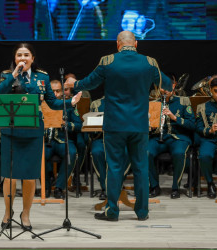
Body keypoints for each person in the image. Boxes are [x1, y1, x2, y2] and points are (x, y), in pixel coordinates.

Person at [65, 31, 172, 221]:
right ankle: (142, 212)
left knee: (114, 167)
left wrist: (74, 84)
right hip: (139, 124)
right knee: (140, 168)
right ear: (136, 44)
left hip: (114, 124)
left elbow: (89, 83)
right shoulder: (149, 62)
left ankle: (112, 211)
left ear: (118, 44)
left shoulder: (107, 61)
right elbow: (168, 85)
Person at [0, 43, 81, 230]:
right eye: (19, 55)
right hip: (11, 131)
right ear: (14, 59)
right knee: (9, 176)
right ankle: (7, 212)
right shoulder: (7, 75)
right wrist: (13, 77)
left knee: (29, 176)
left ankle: (25, 214)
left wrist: (70, 103)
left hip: (33, 132)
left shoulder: (42, 77)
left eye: (26, 55)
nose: (23, 58)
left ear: (32, 58)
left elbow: (51, 102)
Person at [148, 81, 195, 199]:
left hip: (178, 138)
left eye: (168, 87)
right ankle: (154, 186)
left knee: (179, 153)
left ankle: (175, 187)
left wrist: (174, 117)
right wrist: (150, 127)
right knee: (145, 152)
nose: (165, 90)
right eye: (162, 88)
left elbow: (192, 124)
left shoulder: (183, 101)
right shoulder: (153, 103)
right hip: (158, 137)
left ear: (174, 86)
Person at [44, 79, 81, 199]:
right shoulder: (42, 104)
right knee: (39, 153)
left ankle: (59, 187)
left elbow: (79, 125)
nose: (55, 94)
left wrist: (66, 124)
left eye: (58, 91)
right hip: (45, 140)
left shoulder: (69, 104)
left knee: (72, 152)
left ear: (62, 91)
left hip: (63, 140)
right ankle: (47, 185)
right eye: (52, 91)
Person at [196, 77, 217, 199]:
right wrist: (209, 129)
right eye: (216, 91)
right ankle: (210, 183)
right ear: (210, 90)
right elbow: (198, 127)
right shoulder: (202, 107)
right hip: (209, 138)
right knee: (204, 156)